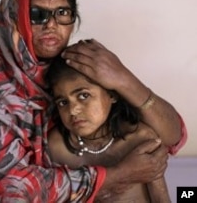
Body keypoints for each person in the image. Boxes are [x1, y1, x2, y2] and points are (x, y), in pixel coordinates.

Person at [0, 0, 187, 202]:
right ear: (15, 16)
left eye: (63, 12)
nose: (51, 24)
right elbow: (12, 187)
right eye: (37, 14)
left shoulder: (74, 65)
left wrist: (123, 78)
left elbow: (171, 137)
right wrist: (116, 176)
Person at [46, 54, 172, 202]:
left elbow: (161, 199)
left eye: (83, 95)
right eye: (63, 102)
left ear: (111, 95)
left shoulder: (140, 139)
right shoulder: (57, 147)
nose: (73, 110)